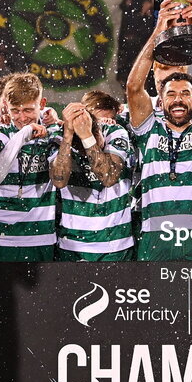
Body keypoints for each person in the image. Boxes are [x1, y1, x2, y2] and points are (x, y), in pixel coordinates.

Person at [125, 0, 192, 261]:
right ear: (160, 101)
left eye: (185, 93)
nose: (177, 98)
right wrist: (158, 30)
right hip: (156, 241)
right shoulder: (148, 129)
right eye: (170, 93)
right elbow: (133, 88)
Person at [0, 73, 62, 261]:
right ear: (6, 108)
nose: (22, 117)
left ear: (42, 105)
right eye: (15, 110)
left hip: (42, 240)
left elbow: (60, 178)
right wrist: (22, 136)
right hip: (1, 240)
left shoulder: (53, 133)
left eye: (28, 110)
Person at [50, 92, 134, 261]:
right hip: (71, 246)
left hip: (115, 246)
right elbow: (59, 181)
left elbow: (109, 177)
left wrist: (87, 136)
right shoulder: (59, 136)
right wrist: (68, 135)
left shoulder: (116, 131)